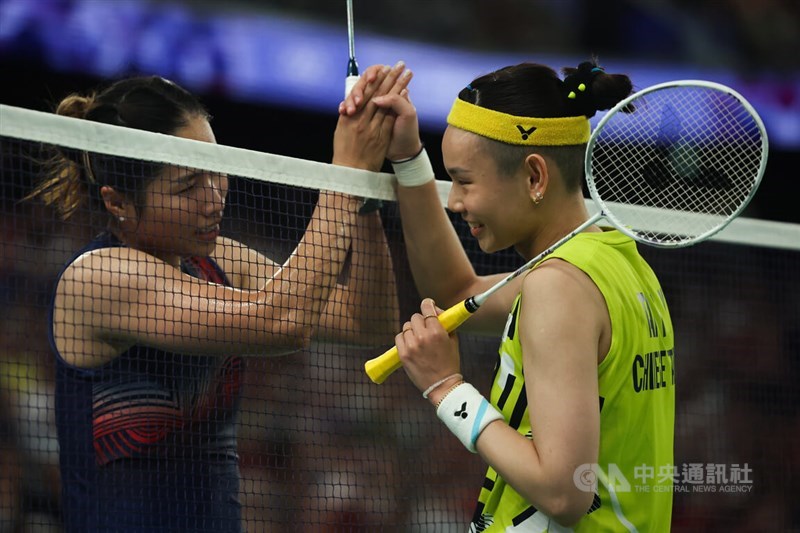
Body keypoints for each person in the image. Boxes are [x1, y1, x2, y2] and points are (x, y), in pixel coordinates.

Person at [25, 64, 409, 532]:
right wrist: (345, 171)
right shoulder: (100, 276)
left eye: (216, 172)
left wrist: (364, 188)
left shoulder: (219, 259)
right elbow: (283, 322)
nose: (213, 199)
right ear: (117, 202)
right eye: (187, 186)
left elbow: (365, 321)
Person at [342, 60, 676, 530]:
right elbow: (456, 291)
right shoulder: (614, 262)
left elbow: (564, 493)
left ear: (535, 177)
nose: (454, 201)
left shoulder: (558, 287)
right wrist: (407, 158)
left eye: (465, 180)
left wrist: (447, 389)